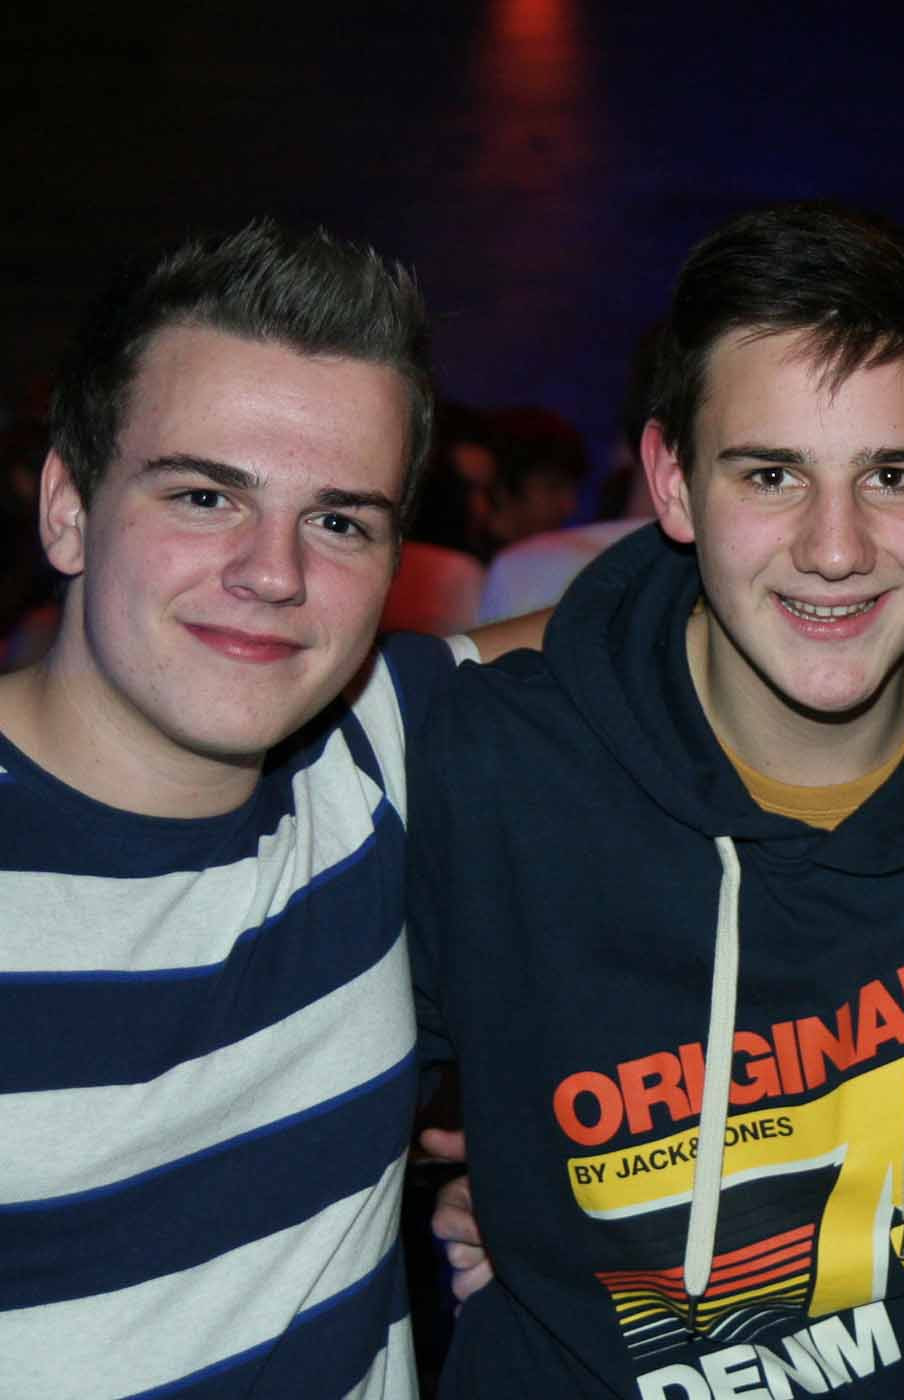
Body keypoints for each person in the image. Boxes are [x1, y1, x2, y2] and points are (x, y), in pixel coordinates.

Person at [406, 204, 904, 1396]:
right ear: (671, 482)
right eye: (771, 473)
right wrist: (505, 1180)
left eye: (892, 474)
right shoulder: (489, 771)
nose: (836, 546)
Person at [0, 220, 460, 1397]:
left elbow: (701, 623)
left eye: (340, 520)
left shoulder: (374, 749)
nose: (274, 572)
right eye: (205, 495)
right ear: (67, 507)